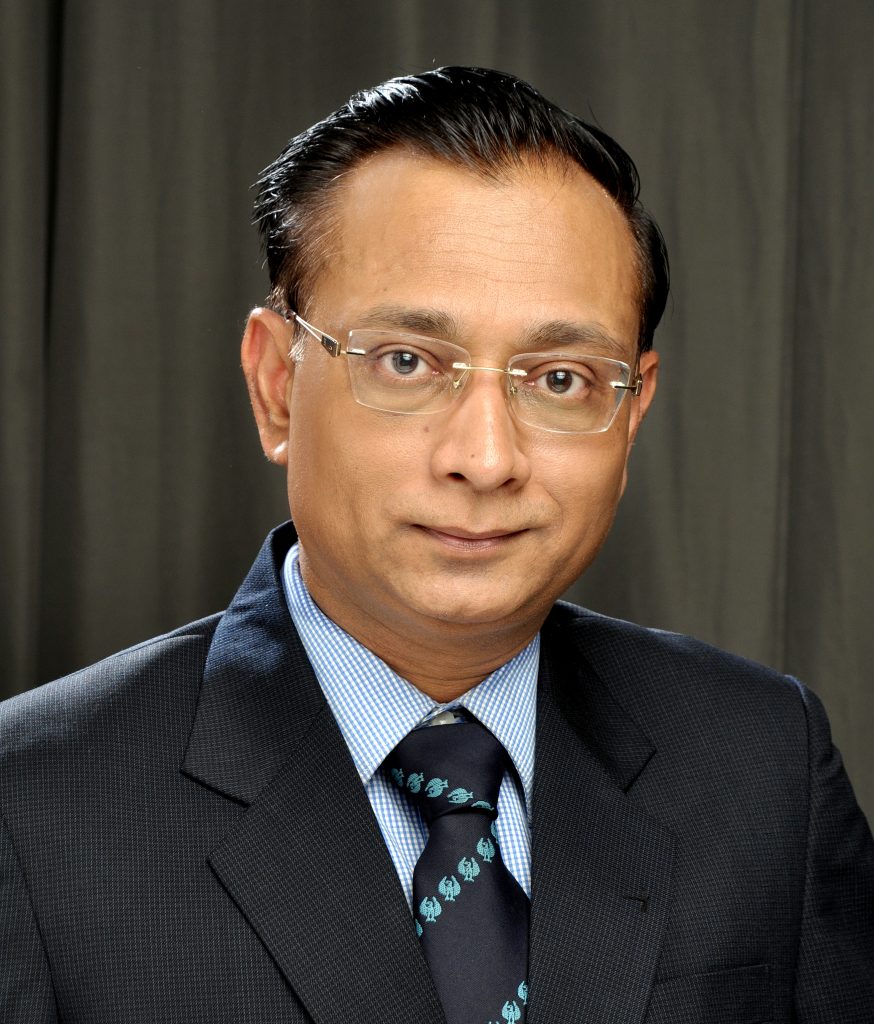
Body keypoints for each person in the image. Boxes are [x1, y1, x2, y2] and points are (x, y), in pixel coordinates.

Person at [2, 66, 872, 1023]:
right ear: (277, 387)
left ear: (632, 414)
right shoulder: (32, 806)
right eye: (407, 362)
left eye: (561, 379)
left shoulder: (762, 763)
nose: (486, 459)